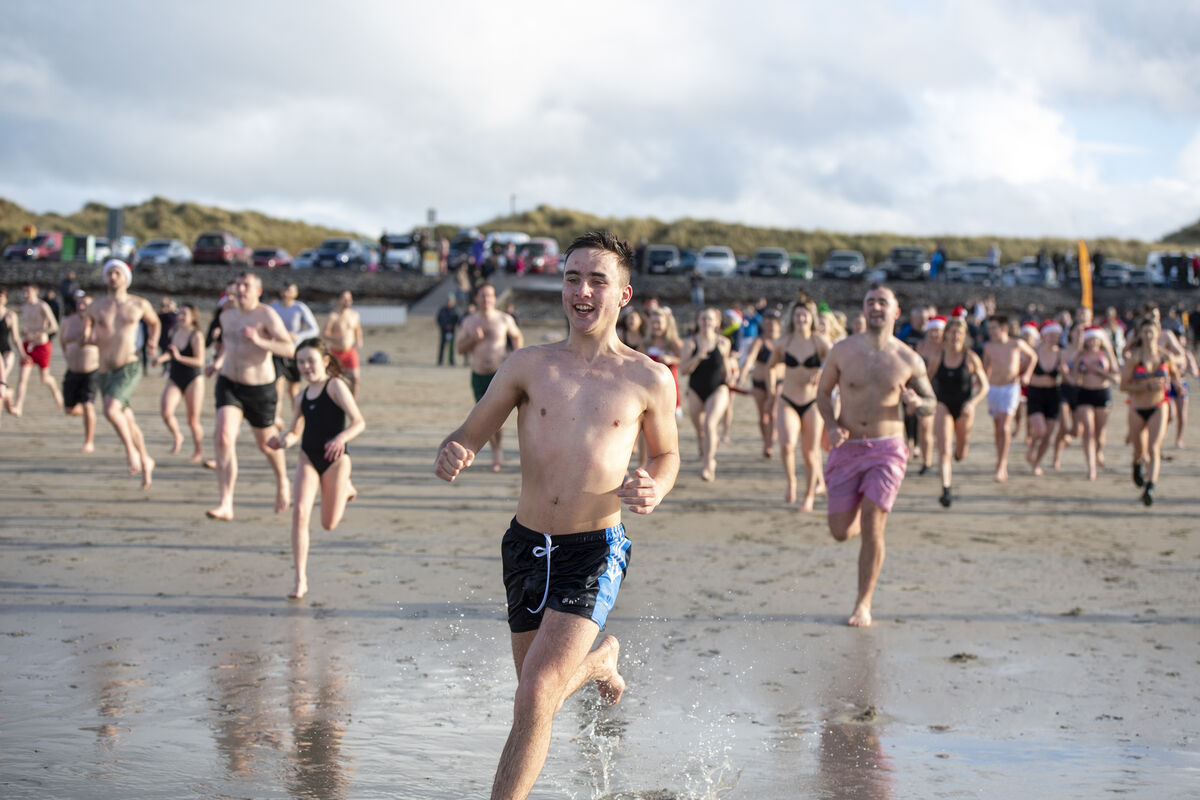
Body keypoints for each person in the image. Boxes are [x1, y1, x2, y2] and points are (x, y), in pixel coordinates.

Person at [434, 231, 679, 800]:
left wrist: (656, 486)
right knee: (534, 695)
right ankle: (598, 665)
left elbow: (666, 455)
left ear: (624, 294)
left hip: (593, 550)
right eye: (572, 278)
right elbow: (470, 431)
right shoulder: (529, 365)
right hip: (524, 546)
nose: (582, 290)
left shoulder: (648, 377)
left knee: (537, 691)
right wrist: (455, 450)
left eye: (598, 280)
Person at [817, 285, 936, 627]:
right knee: (840, 531)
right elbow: (823, 393)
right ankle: (856, 511)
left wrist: (918, 404)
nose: (876, 307)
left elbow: (932, 402)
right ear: (864, 309)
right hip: (847, 447)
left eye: (883, 302)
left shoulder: (908, 358)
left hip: (887, 448)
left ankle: (863, 604)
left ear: (896, 311)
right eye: (870, 302)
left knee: (874, 522)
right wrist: (830, 423)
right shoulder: (842, 351)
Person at [268, 338, 365, 599]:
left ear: (324, 361)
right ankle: (300, 579)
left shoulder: (335, 386)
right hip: (308, 458)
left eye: (310, 361)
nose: (305, 367)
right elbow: (294, 431)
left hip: (336, 460)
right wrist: (281, 441)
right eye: (300, 362)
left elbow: (358, 422)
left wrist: (341, 438)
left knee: (328, 524)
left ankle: (345, 487)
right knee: (299, 513)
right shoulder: (300, 395)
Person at [205, 272, 294, 520]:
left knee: (266, 445)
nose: (241, 290)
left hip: (259, 388)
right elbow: (227, 344)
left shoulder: (265, 315)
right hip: (229, 383)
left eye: (247, 286)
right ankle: (226, 503)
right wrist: (217, 362)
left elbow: (289, 348)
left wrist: (260, 341)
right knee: (223, 437)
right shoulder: (226, 314)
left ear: (258, 290)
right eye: (238, 285)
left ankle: (282, 480)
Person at [87, 260, 161, 488]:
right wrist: (87, 337)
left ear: (126, 277)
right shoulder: (96, 306)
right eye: (109, 273)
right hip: (104, 369)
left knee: (110, 409)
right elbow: (87, 332)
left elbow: (155, 323)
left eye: (117, 273)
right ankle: (147, 458)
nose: (113, 276)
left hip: (128, 365)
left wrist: (152, 342)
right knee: (126, 418)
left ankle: (132, 453)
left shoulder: (138, 304)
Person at [768, 299, 829, 510]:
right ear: (792, 319)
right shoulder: (784, 342)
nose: (801, 319)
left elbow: (834, 363)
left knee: (810, 453)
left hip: (812, 402)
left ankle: (809, 495)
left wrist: (821, 371)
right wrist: (770, 387)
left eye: (805, 315)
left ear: (811, 318)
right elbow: (771, 365)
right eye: (797, 315)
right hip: (788, 400)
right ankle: (792, 481)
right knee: (786, 445)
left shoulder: (819, 342)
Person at [457, 283, 523, 471]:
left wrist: (514, 355)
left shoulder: (504, 319)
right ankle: (496, 450)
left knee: (495, 419)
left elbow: (517, 336)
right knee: (483, 417)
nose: (487, 300)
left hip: (498, 374)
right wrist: (473, 339)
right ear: (476, 299)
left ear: (495, 299)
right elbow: (460, 349)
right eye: (483, 296)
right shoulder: (469, 322)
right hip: (478, 374)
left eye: (490, 296)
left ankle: (497, 452)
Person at [1121, 316, 1183, 505]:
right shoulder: (1135, 358)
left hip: (1159, 406)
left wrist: (1178, 386)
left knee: (1154, 448)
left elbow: (1175, 379)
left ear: (1158, 334)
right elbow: (1123, 385)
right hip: (1137, 407)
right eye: (1145, 332)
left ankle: (1150, 487)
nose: (1148, 336)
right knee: (1139, 450)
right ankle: (1136, 465)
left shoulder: (1165, 357)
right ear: (1140, 334)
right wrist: (1145, 386)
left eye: (1151, 332)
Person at [928, 317, 988, 506]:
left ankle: (960, 451)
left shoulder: (971, 358)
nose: (955, 336)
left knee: (960, 451)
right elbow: (926, 380)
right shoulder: (938, 357)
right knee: (944, 448)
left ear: (964, 336)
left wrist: (973, 403)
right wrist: (928, 399)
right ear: (946, 335)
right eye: (952, 332)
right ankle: (946, 489)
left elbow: (984, 386)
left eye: (959, 333)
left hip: (964, 408)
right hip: (942, 405)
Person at [680, 307, 736, 482]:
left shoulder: (724, 343)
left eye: (710, 319)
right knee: (701, 430)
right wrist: (698, 356)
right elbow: (683, 370)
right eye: (703, 319)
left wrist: (732, 376)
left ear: (717, 322)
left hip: (718, 388)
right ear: (698, 321)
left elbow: (725, 363)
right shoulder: (690, 343)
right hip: (696, 389)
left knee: (710, 425)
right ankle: (704, 449)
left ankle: (708, 464)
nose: (706, 323)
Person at [982, 315, 1036, 482]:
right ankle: (1000, 460)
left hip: (1011, 387)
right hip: (994, 388)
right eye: (989, 328)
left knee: (1005, 427)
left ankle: (1002, 465)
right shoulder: (989, 347)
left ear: (1003, 329)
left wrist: (1026, 374)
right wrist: (981, 383)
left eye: (994, 328)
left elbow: (1033, 357)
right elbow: (986, 368)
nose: (991, 331)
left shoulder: (1016, 344)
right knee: (998, 428)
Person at [153, 302, 208, 463]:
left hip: (193, 378)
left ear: (193, 317)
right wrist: (160, 359)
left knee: (193, 420)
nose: (180, 316)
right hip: (175, 377)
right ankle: (178, 435)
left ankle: (198, 449)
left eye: (184, 314)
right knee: (166, 411)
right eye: (179, 313)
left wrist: (179, 358)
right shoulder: (174, 331)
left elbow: (200, 361)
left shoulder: (196, 335)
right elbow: (171, 353)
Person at [1069, 326, 1119, 480]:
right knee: (1088, 430)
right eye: (1089, 340)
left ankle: (1098, 451)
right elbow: (1074, 379)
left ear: (1100, 340)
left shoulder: (1106, 354)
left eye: (1095, 339)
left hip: (1102, 394)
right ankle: (1091, 468)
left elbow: (1117, 379)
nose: (1092, 343)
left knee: (1099, 434)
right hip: (1085, 393)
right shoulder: (1081, 356)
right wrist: (1066, 373)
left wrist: (1100, 371)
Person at [269, 283, 320, 422]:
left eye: (289, 290)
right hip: (277, 352)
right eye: (284, 289)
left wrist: (298, 336)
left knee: (293, 389)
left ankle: (297, 417)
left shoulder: (299, 308)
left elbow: (314, 329)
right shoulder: (273, 307)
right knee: (277, 386)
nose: (286, 293)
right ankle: (275, 417)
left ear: (295, 293)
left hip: (294, 352)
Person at [12, 284, 64, 414]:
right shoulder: (23, 307)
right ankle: (18, 406)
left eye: (28, 292)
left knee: (45, 378)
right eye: (24, 293)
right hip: (28, 345)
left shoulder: (42, 306)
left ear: (36, 292)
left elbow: (54, 326)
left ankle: (56, 392)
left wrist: (36, 333)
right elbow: (26, 325)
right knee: (23, 377)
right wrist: (25, 332)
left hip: (42, 345)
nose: (26, 295)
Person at [1025, 320, 1067, 475]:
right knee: (1040, 430)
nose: (1054, 338)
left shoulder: (1061, 353)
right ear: (1044, 335)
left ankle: (1037, 463)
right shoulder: (1034, 350)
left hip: (1052, 394)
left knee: (1048, 434)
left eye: (1056, 335)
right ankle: (1031, 446)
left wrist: (1064, 371)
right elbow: (1023, 367)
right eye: (1051, 335)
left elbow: (1066, 376)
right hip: (1035, 393)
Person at [59, 293, 100, 453]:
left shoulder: (97, 324)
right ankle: (84, 409)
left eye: (86, 304)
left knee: (88, 405)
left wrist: (88, 329)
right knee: (69, 409)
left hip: (91, 371)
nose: (82, 306)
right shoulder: (68, 321)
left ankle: (89, 441)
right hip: (72, 370)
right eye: (80, 303)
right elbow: (63, 342)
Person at [741, 309, 782, 458]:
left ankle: (770, 443)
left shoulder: (783, 341)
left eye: (773, 325)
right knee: (763, 415)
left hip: (780, 381)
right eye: (767, 325)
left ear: (779, 326)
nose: (770, 328)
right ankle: (766, 440)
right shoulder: (759, 341)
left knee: (774, 412)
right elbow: (750, 358)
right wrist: (743, 374)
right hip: (759, 382)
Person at [914, 315, 946, 475]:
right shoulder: (921, 346)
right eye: (932, 331)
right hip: (925, 389)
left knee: (941, 430)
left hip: (944, 390)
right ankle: (926, 461)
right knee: (924, 426)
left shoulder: (947, 348)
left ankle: (942, 461)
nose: (935, 335)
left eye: (938, 331)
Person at [322, 291, 364, 395]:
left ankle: (351, 400)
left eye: (350, 299)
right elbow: (324, 333)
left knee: (355, 377)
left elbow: (357, 328)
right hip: (335, 351)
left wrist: (359, 339)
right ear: (339, 300)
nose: (348, 301)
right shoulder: (333, 316)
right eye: (345, 299)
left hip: (349, 351)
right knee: (334, 378)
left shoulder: (354, 315)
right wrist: (336, 338)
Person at [0, 287, 22, 423]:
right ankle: (8, 394)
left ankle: (6, 392)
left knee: (0, 384)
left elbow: (16, 338)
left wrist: (23, 354)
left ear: (6, 299)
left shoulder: (10, 315)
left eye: (1, 296)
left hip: (6, 353)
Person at [435, 294, 460, 366]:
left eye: (452, 301)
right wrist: (444, 326)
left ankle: (451, 361)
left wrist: (452, 326)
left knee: (451, 347)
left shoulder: (455, 310)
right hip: (443, 330)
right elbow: (438, 319)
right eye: (449, 301)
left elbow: (457, 320)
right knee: (442, 346)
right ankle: (440, 361)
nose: (450, 302)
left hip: (451, 331)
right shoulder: (442, 310)